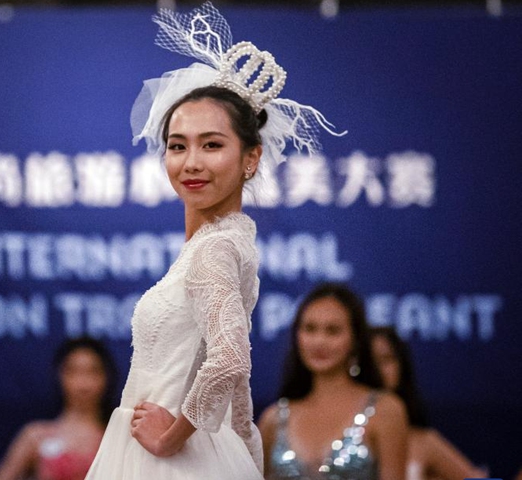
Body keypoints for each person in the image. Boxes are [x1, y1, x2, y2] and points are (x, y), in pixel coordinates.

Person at [86, 3, 343, 479]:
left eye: (212, 144)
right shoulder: (224, 241)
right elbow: (237, 386)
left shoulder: (215, 249)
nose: (191, 162)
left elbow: (229, 360)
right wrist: (244, 450)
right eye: (178, 145)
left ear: (250, 159)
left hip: (170, 458)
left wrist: (171, 435)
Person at [257, 283, 408, 479]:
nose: (319, 341)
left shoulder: (385, 410)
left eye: (333, 331)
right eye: (310, 329)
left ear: (355, 340)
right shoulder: (274, 419)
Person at [0, 336, 117, 480]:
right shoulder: (35, 436)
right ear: (60, 375)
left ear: (107, 377)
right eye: (73, 372)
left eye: (93, 372)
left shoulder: (119, 437)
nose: (83, 383)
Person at [369, 326, 488, 480]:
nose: (378, 370)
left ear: (402, 366)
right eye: (370, 361)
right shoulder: (339, 435)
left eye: (386, 359)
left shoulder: (422, 442)